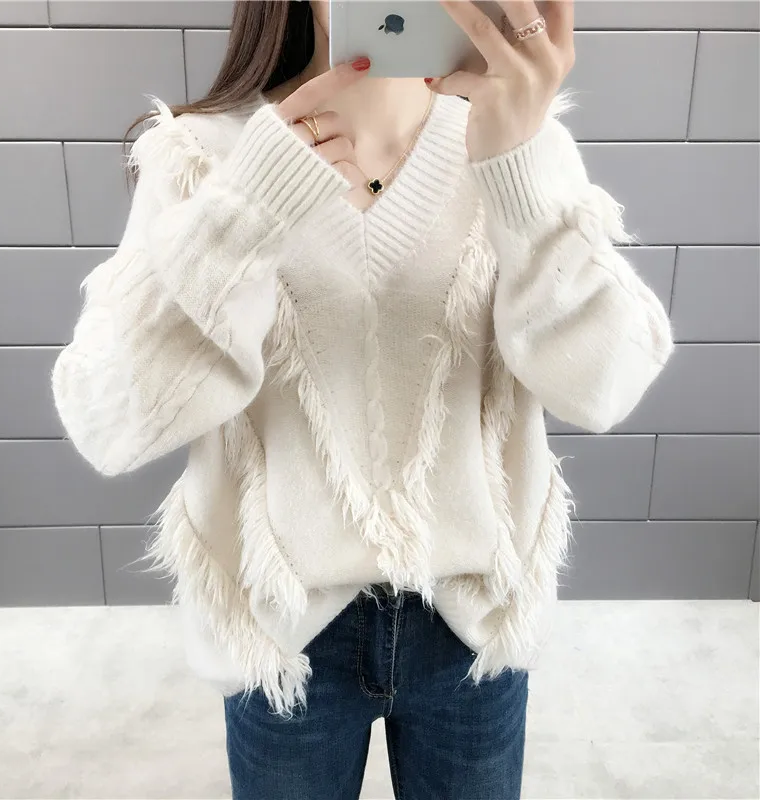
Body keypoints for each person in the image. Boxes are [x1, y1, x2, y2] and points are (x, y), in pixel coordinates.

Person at [52, 1, 673, 797]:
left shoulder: (518, 139)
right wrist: (245, 212)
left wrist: (524, 175)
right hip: (283, 634)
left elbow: (605, 384)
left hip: (472, 624)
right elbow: (108, 421)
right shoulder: (204, 157)